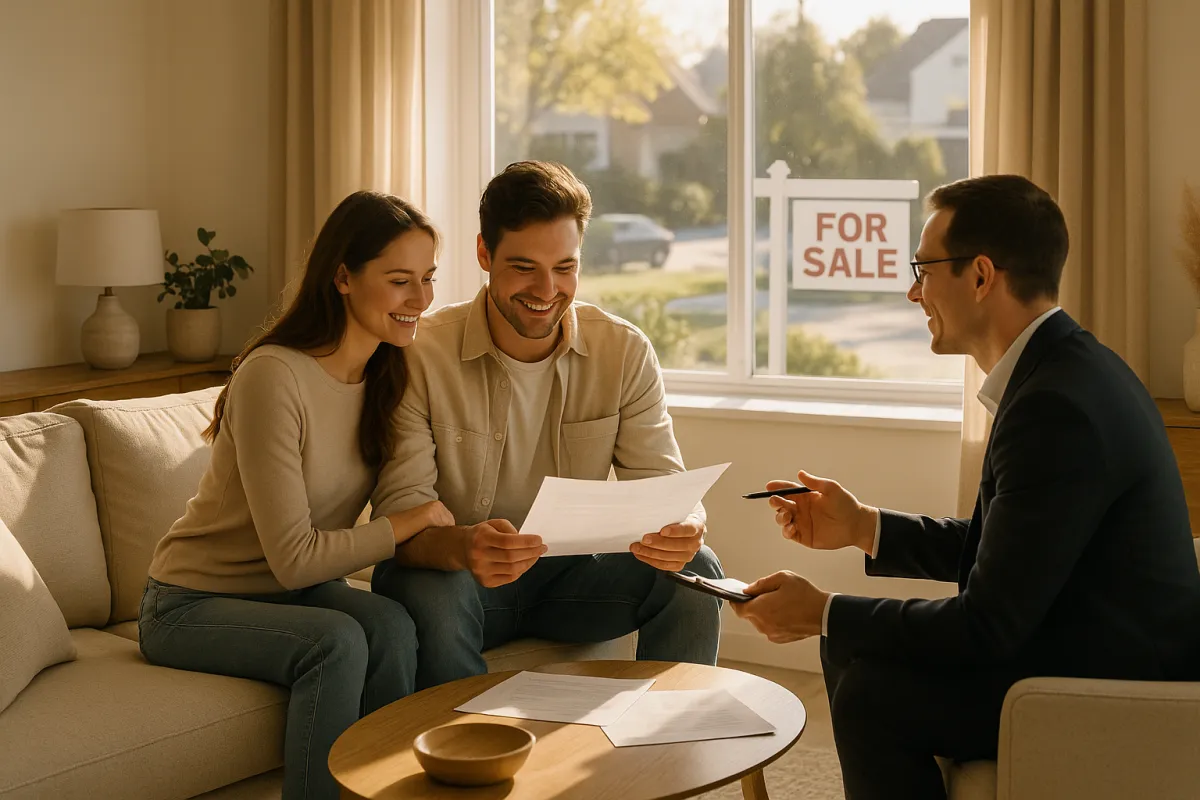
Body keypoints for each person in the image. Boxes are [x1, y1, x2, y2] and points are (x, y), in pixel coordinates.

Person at [732, 174, 1200, 799]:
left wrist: (822, 610)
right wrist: (863, 526)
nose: (912, 291)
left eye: (924, 269)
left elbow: (987, 625)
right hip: (1082, 635)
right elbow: (1006, 551)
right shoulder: (1062, 371)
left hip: (1114, 679)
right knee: (847, 650)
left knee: (871, 688)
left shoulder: (1054, 407)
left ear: (981, 276)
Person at [138, 191, 455, 800]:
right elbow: (295, 558)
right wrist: (408, 523)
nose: (421, 300)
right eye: (399, 281)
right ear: (342, 277)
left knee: (390, 621)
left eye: (427, 279)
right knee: (335, 642)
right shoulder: (273, 376)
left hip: (289, 594)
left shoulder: (389, 374)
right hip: (189, 602)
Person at [369, 161, 724, 689]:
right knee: (430, 591)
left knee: (699, 570)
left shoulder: (622, 351)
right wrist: (466, 547)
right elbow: (400, 514)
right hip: (457, 580)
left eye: (565, 267)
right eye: (523, 267)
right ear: (484, 255)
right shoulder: (419, 354)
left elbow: (663, 488)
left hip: (573, 580)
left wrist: (685, 526)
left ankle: (667, 747)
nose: (547, 288)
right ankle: (472, 751)